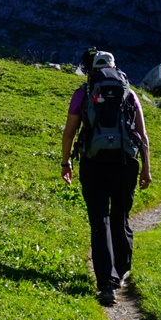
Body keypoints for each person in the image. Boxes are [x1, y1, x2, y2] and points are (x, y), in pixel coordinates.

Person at [60, 49, 151, 306]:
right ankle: (121, 272)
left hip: (93, 163)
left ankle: (106, 284)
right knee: (120, 217)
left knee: (99, 221)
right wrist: (146, 169)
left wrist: (66, 162)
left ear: (91, 70)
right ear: (114, 67)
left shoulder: (83, 93)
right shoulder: (129, 93)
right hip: (125, 163)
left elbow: (69, 133)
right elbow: (143, 137)